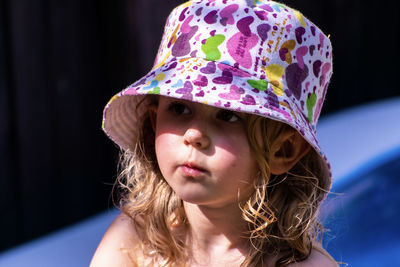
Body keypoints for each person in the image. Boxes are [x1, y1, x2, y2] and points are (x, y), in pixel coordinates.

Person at [90, 0, 337, 266]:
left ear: (282, 151)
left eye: (228, 116)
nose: (194, 135)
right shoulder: (133, 241)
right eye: (179, 109)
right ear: (154, 123)